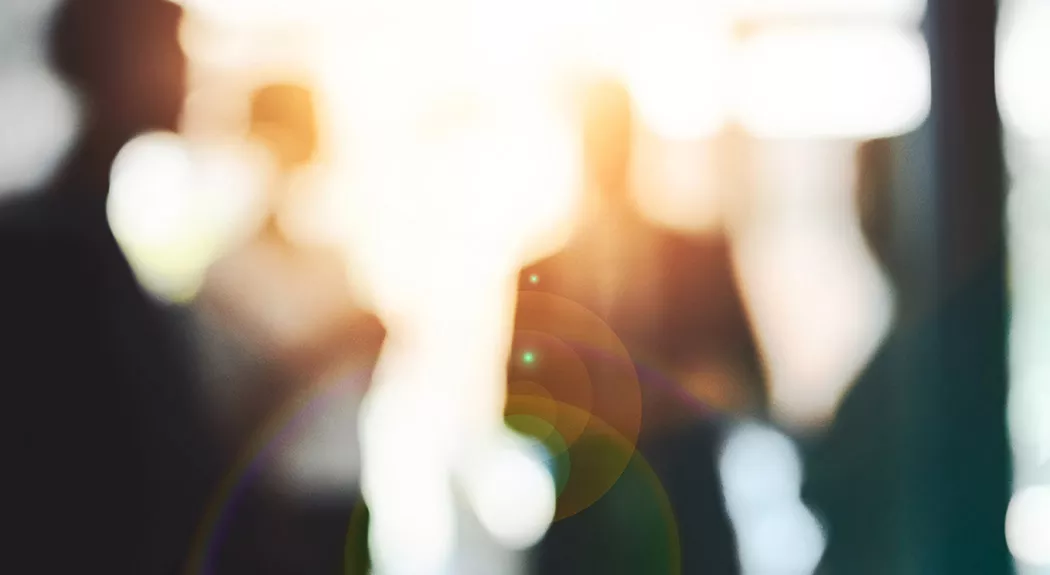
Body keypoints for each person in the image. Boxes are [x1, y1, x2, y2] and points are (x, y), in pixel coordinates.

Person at [0, 0, 217, 573]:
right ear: (112, 61)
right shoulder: (47, 251)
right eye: (172, 44)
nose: (191, 68)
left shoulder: (83, 238)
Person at [510, 78, 759, 574]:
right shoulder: (542, 272)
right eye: (597, 136)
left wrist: (682, 397)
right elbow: (516, 406)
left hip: (689, 511)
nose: (608, 151)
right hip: (584, 523)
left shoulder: (700, 258)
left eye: (616, 134)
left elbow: (747, 383)